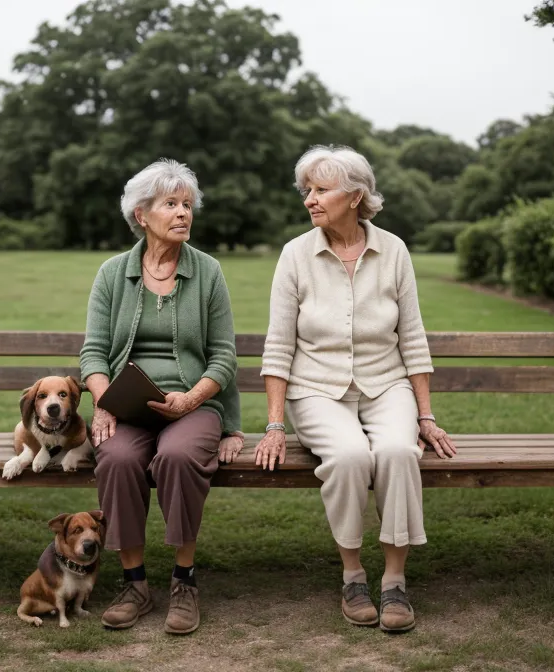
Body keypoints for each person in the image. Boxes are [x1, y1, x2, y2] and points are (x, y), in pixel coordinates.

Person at [255, 145, 457, 633]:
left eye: (322, 190)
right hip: (316, 389)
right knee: (348, 457)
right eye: (308, 190)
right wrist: (275, 423)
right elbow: (279, 345)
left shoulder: (394, 251)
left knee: (396, 452)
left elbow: (412, 338)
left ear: (355, 195)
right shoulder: (295, 255)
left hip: (386, 384)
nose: (310, 200)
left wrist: (424, 416)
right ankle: (352, 575)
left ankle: (394, 581)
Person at [80, 158, 244, 635]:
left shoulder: (208, 273)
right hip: (126, 404)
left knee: (175, 456)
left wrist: (192, 399)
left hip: (193, 404)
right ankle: (134, 584)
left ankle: (184, 581)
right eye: (170, 204)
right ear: (141, 214)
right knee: (115, 458)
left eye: (187, 205)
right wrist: (103, 402)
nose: (182, 214)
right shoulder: (112, 274)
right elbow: (92, 352)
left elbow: (224, 355)